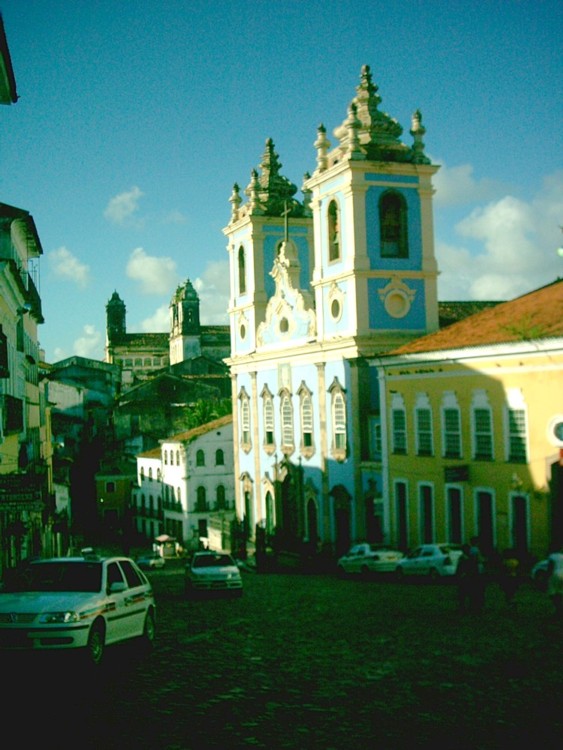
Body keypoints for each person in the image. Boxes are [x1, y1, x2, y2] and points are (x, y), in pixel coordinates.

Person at [546, 546, 563, 617]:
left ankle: (558, 608)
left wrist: (547, 576)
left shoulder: (552, 556)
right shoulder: (562, 556)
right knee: (560, 592)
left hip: (555, 574)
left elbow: (550, 567)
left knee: (552, 592)